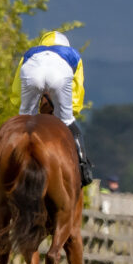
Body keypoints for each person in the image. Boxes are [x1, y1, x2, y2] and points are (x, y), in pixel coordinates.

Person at [11, 31, 93, 186]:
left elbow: (16, 91)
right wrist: (70, 112)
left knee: (24, 121)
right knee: (68, 121)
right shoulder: (72, 54)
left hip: (32, 72)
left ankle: (10, 163)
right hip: (59, 74)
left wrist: (24, 109)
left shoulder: (31, 53)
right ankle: (84, 168)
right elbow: (77, 92)